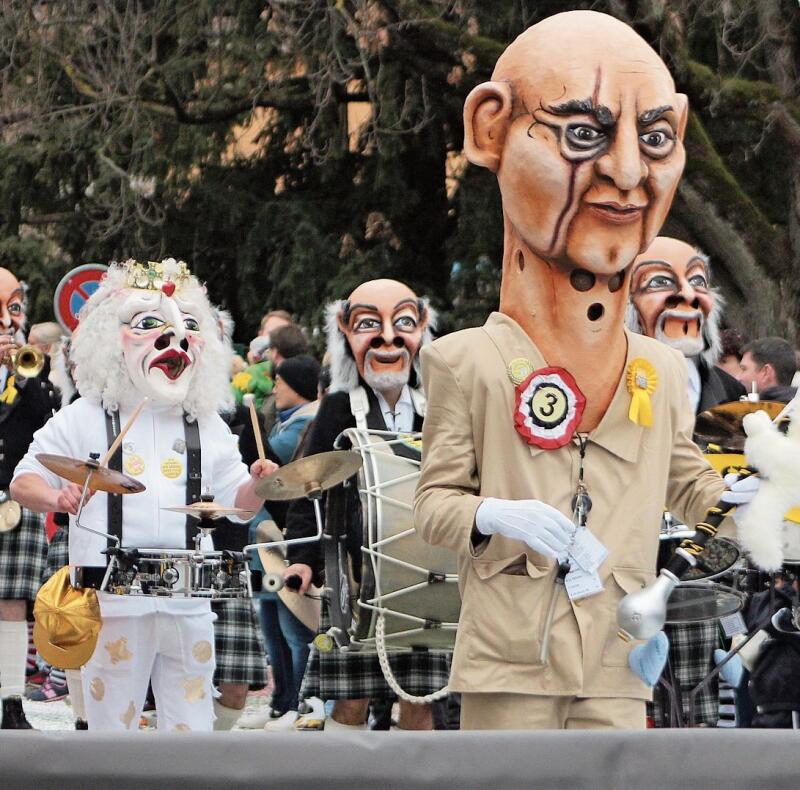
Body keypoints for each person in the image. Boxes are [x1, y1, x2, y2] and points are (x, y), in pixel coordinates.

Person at [413, 10, 741, 730]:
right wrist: (499, 514)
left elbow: (688, 483)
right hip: (511, 657)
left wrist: (758, 514)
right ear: (491, 130)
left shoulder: (656, 365)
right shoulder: (462, 359)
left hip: (619, 658)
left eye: (656, 138)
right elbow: (434, 508)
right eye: (582, 132)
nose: (627, 173)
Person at [12, 258, 277, 732]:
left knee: (191, 724)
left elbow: (239, 510)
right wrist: (58, 498)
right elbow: (24, 480)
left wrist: (259, 482)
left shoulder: (208, 423)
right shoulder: (84, 415)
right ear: (110, 341)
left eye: (188, 327)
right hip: (111, 600)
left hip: (189, 599)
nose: (173, 340)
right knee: (112, 725)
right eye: (150, 325)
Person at [284, 279, 450, 731]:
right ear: (346, 333)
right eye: (369, 326)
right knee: (351, 699)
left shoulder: (437, 407)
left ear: (421, 332)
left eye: (403, 325)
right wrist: (303, 561)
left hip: (426, 576)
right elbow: (307, 484)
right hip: (354, 577)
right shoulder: (339, 407)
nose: (389, 340)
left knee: (419, 700)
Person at [628, 236, 745, 726]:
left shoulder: (731, 390)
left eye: (697, 281)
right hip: (629, 561)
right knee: (633, 706)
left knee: (695, 706)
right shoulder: (613, 379)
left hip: (704, 561)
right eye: (660, 283)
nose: (686, 296)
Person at [237, 354, 321, 730]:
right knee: (272, 626)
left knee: (293, 630)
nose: (274, 389)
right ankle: (281, 700)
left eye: (281, 382)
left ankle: (300, 702)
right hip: (265, 544)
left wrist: (250, 433)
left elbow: (278, 464)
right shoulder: (287, 422)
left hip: (289, 542)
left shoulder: (306, 426)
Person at [0, 268, 58, 729]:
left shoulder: (31, 370)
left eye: (14, 307)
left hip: (15, 501)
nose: (7, 320)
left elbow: (46, 423)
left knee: (14, 603)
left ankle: (10, 700)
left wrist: (21, 373)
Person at [736, 337, 797, 402]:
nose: (738, 377)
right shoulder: (794, 407)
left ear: (766, 372)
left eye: (744, 369)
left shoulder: (766, 411)